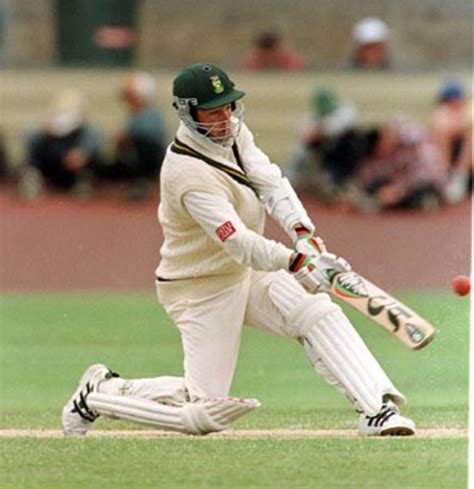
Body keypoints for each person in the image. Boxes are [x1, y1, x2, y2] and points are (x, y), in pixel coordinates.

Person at [62, 63, 416, 438]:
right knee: (201, 414)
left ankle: (377, 410)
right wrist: (295, 261)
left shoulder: (234, 133)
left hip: (247, 273)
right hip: (200, 288)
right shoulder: (186, 174)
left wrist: (306, 238)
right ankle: (99, 394)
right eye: (214, 110)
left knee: (314, 311)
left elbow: (272, 184)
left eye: (229, 105)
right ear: (187, 112)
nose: (226, 117)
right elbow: (239, 242)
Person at [16, 90, 103, 199]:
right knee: (33, 158)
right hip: (51, 168)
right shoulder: (45, 129)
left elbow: (94, 139)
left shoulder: (87, 131)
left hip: (73, 171)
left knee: (90, 163)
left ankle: (83, 182)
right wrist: (44, 132)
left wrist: (82, 153)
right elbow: (27, 138)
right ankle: (32, 181)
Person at [286, 87, 366, 204]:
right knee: (303, 149)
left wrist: (320, 130)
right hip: (325, 155)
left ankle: (347, 183)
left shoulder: (346, 109)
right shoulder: (312, 118)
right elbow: (305, 136)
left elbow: (339, 125)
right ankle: (297, 181)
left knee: (351, 142)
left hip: (346, 154)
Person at [100, 72, 168, 200]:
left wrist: (125, 137)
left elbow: (146, 137)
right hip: (137, 157)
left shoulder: (152, 115)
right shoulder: (135, 115)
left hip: (149, 159)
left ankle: (142, 183)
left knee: (141, 145)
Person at [355, 117, 447, 211]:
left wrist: (400, 189)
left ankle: (423, 199)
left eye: (381, 151)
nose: (382, 156)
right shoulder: (375, 155)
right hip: (398, 181)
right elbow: (367, 176)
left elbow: (427, 172)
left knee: (423, 188)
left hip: (425, 179)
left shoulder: (413, 141)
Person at [431, 80, 472, 204]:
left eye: (457, 98)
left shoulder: (469, 110)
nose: (454, 102)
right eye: (451, 99)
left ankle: (459, 178)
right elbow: (443, 128)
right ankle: (445, 178)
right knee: (442, 135)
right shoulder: (441, 112)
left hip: (465, 159)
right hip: (445, 157)